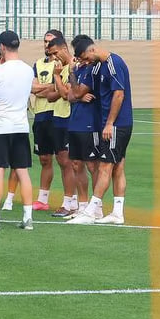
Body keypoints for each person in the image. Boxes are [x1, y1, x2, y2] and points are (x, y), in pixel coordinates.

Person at [69, 36, 133, 225]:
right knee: (118, 167)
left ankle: (90, 212)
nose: (86, 62)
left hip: (117, 124)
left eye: (86, 58)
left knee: (105, 167)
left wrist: (109, 123)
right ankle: (117, 213)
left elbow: (119, 94)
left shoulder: (114, 64)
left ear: (92, 50)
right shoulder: (97, 67)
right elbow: (80, 91)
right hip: (112, 123)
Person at [0, 31, 35, 231]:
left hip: (1, 127)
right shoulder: (28, 70)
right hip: (21, 127)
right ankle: (28, 218)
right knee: (23, 173)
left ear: (2, 47)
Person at [59, 34, 101, 219]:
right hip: (75, 122)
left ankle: (96, 207)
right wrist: (78, 94)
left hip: (90, 123)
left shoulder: (94, 69)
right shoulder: (79, 70)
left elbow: (75, 92)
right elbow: (69, 96)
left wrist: (77, 94)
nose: (79, 59)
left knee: (93, 165)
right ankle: (83, 207)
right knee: (76, 164)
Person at [27, 29, 67, 212]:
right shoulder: (38, 64)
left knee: (64, 159)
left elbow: (60, 90)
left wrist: (45, 89)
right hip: (41, 115)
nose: (47, 45)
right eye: (45, 41)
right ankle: (43, 200)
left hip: (58, 115)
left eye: (50, 41)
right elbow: (33, 88)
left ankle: (69, 200)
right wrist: (51, 87)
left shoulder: (63, 65)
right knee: (44, 159)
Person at [45, 36, 85, 217]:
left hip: (69, 117)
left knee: (71, 162)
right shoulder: (61, 67)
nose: (54, 57)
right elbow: (52, 95)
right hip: (58, 116)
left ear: (63, 48)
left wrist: (56, 78)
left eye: (55, 53)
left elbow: (64, 93)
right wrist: (59, 88)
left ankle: (71, 203)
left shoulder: (72, 66)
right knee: (63, 161)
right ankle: (71, 201)